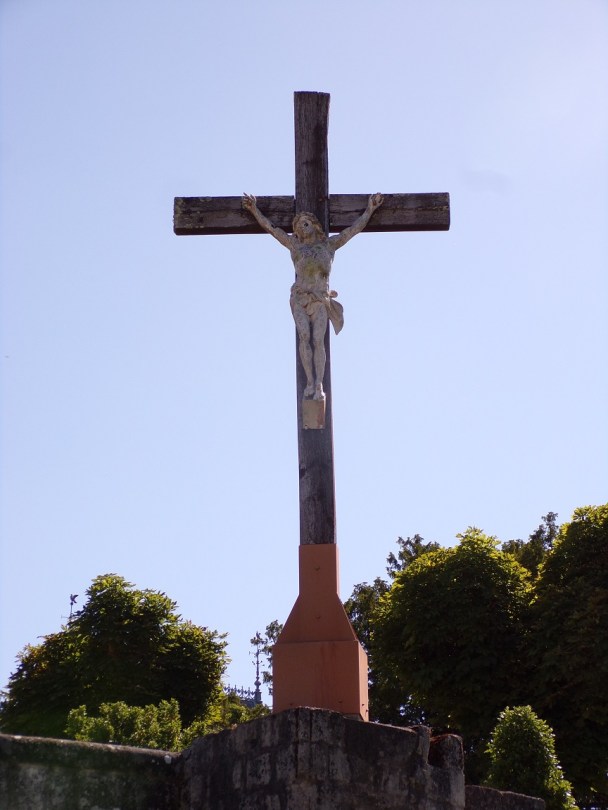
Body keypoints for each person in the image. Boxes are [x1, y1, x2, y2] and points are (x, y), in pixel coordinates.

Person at [242, 193, 383, 400]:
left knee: (318, 340)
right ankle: (309, 383)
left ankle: (318, 386)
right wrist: (254, 210)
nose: (300, 229)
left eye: (305, 224)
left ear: (314, 225)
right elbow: (272, 229)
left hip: (319, 300)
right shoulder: (295, 246)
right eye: (298, 226)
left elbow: (352, 230)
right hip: (300, 298)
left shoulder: (328, 246)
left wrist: (370, 210)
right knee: (305, 337)